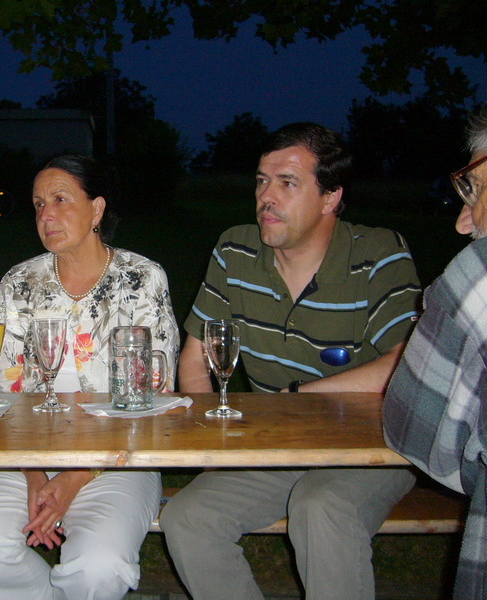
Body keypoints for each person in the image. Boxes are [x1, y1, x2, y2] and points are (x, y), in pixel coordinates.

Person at [159, 123, 422, 600]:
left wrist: (299, 397)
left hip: (372, 446)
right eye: (262, 181)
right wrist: (212, 447)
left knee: (321, 506)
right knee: (188, 518)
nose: (267, 196)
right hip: (276, 444)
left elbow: (407, 362)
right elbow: (195, 353)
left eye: (287, 183)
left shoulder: (378, 254)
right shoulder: (236, 250)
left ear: (330, 197)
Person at [0, 155, 179, 599]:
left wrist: (75, 475)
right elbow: (5, 394)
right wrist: (34, 473)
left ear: (97, 209)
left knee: (99, 566)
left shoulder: (142, 279)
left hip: (119, 456)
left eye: (60, 200)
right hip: (25, 452)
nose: (45, 215)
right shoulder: (20, 282)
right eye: (38, 204)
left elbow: (153, 394)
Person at [384, 106, 487, 599]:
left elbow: (413, 427)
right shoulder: (236, 251)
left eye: (475, 188)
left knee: (325, 509)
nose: (464, 222)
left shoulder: (479, 276)